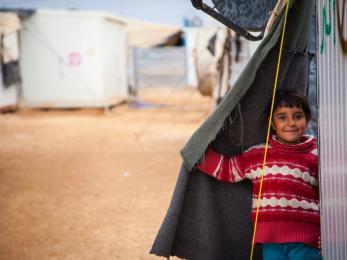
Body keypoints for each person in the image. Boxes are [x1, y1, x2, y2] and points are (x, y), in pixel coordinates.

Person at [196, 90, 321, 260]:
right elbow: (228, 170)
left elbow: (328, 196)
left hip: (306, 240)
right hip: (269, 241)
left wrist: (325, 234)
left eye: (298, 116)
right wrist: (197, 154)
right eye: (282, 117)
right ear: (272, 123)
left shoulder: (317, 154)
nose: (291, 123)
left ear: (307, 121)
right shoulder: (258, 154)